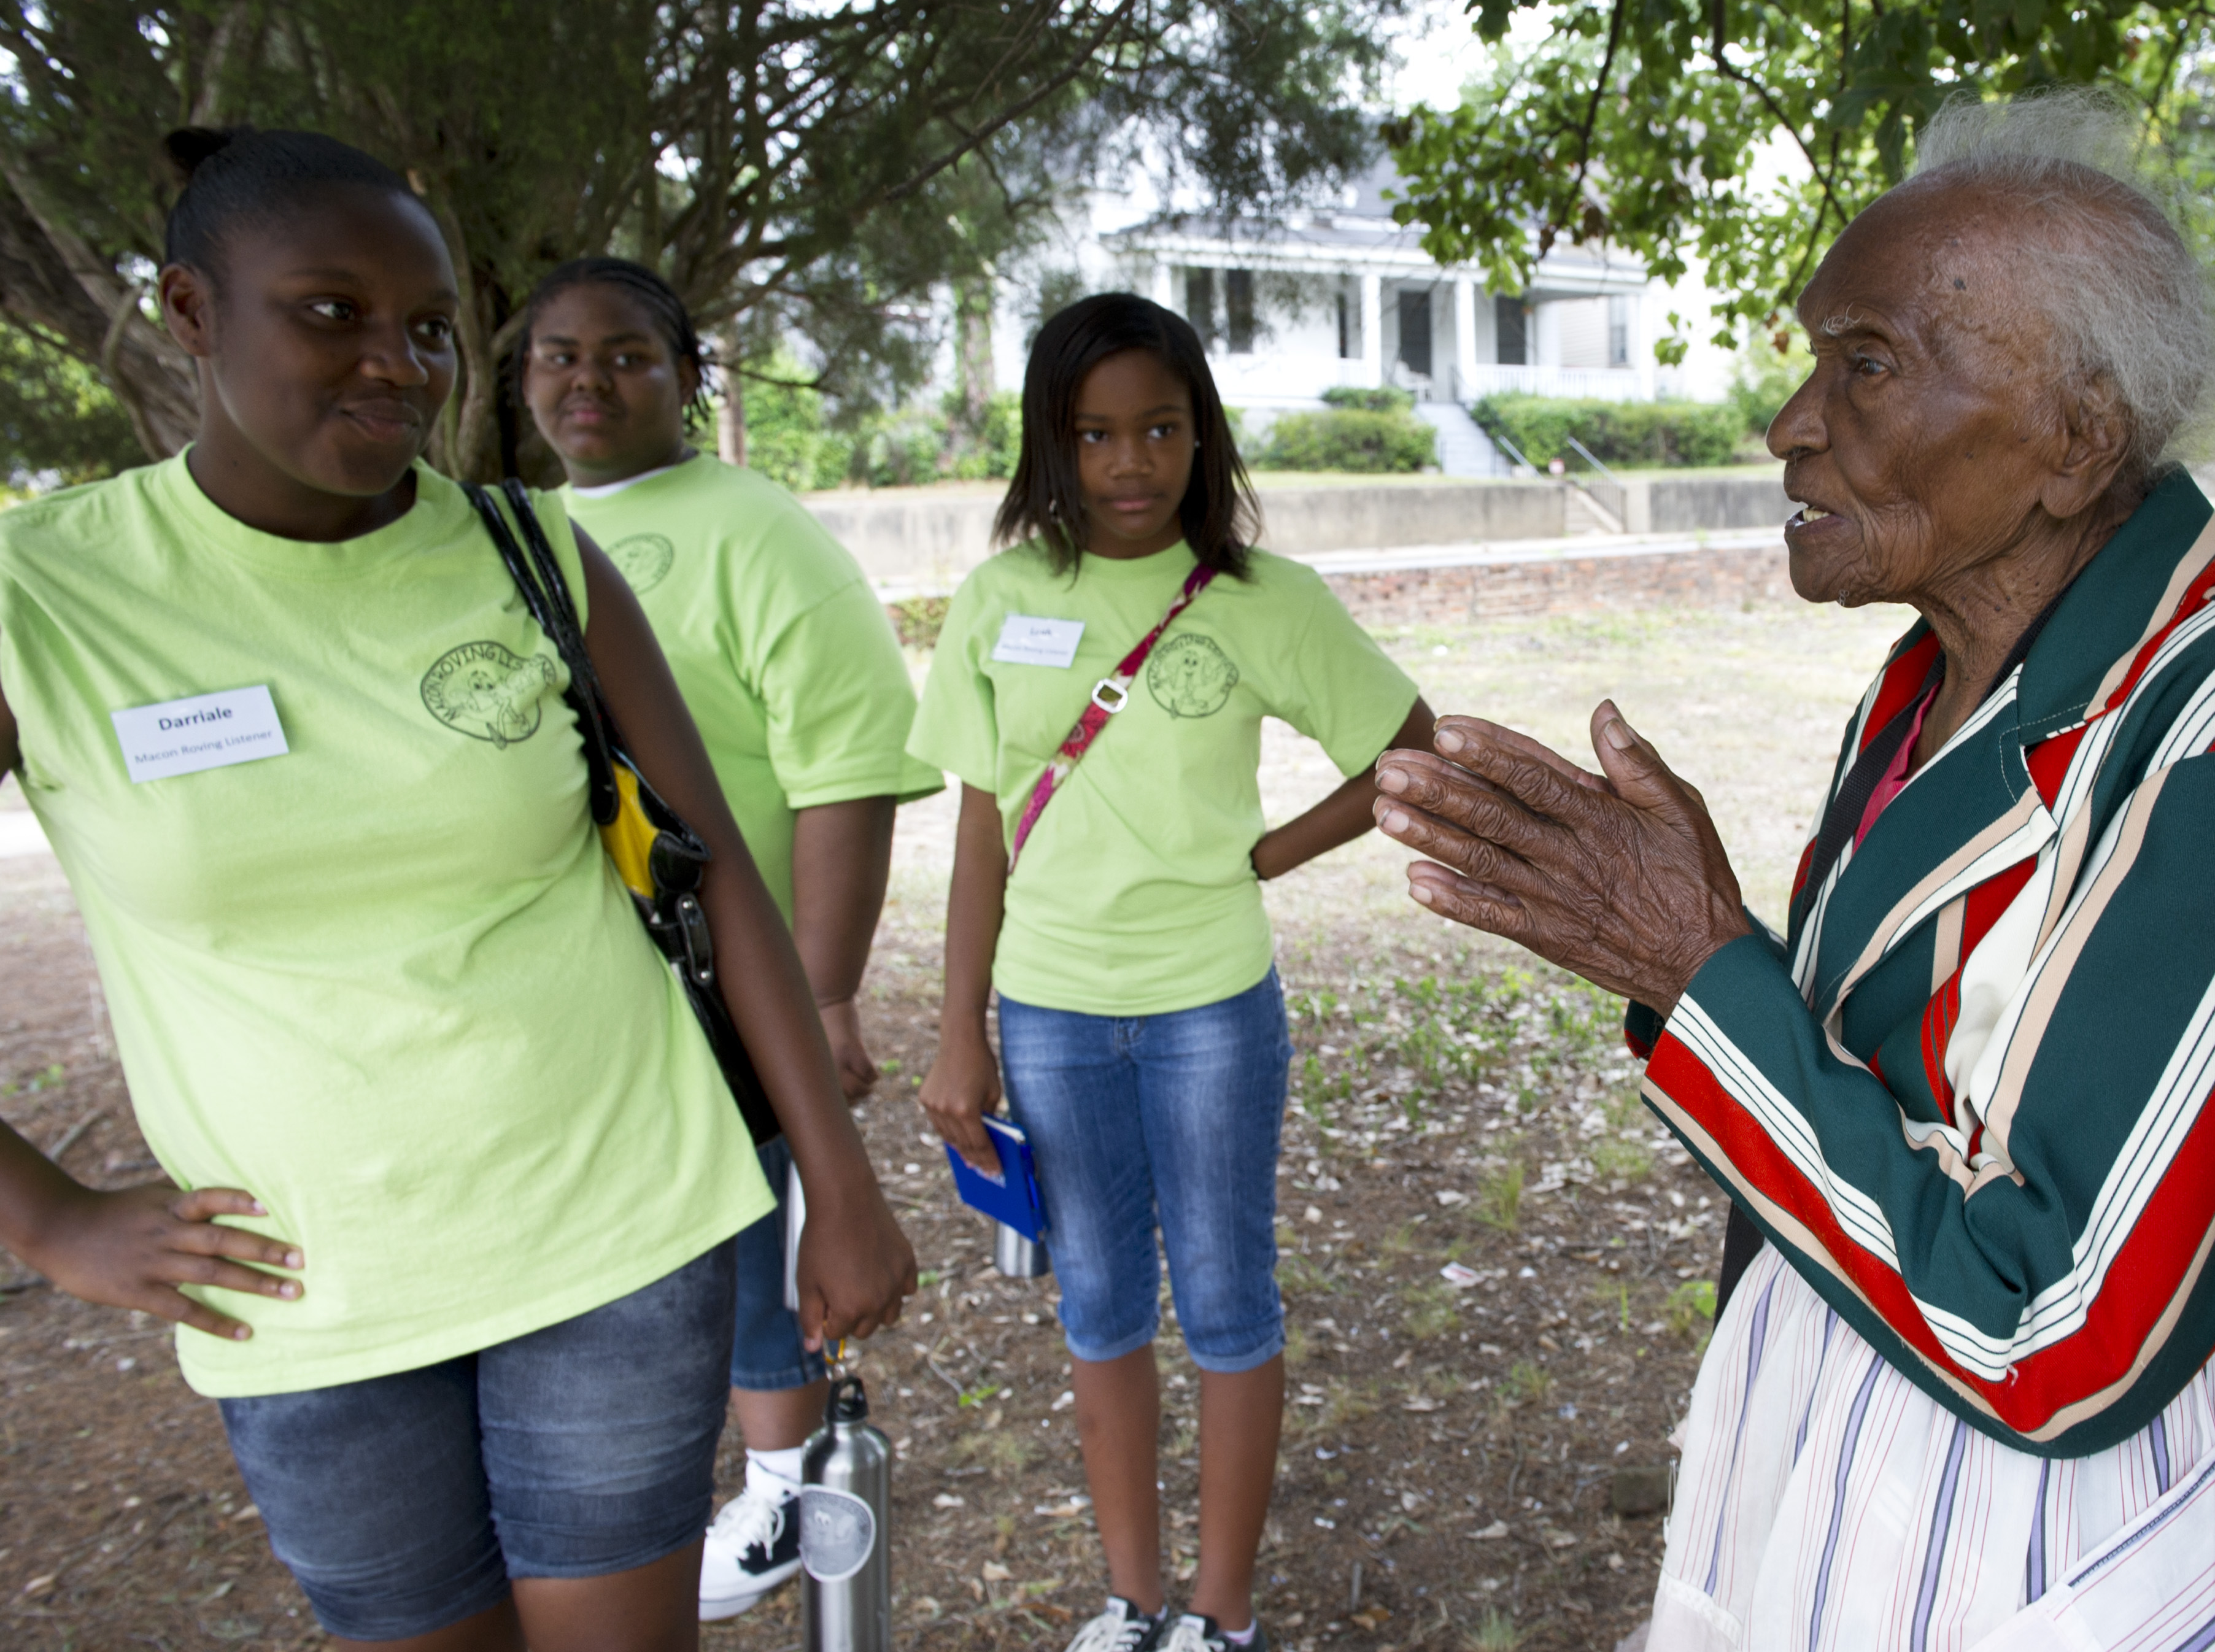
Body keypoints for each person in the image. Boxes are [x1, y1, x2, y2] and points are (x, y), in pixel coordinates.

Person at [1369, 93, 2215, 1651]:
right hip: (1831, 1448)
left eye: (1865, 365)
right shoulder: (1933, 689)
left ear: (2073, 442)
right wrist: (1714, 980)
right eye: (1817, 362)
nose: (1794, 422)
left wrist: (1698, 973)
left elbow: (2056, 1338)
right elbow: (1868, 1108)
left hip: (2058, 1541)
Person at [0, 128, 918, 1652]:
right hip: (302, 1289)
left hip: (614, 1228)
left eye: (426, 328)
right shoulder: (46, 597)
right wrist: (44, 1221)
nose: (396, 365)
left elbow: (723, 883)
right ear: (187, 311)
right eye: (330, 312)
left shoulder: (532, 556)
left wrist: (837, 1182)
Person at [912, 294, 1437, 1652]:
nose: (1130, 462)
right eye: (1095, 435)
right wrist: (957, 1031)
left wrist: (1267, 857)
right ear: (1052, 444)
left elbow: (1405, 752)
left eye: (1159, 428)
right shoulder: (1000, 598)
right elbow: (982, 826)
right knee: (1095, 1299)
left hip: (1210, 1008)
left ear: (1202, 435)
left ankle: (1219, 1613)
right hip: (1051, 1012)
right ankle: (1130, 1598)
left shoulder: (1264, 600)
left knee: (1222, 1294)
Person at [517, 257, 944, 1622]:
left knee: (764, 1248)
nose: (588, 381)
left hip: (723, 984)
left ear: (689, 379)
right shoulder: (503, 531)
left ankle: (775, 1495)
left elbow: (846, 772)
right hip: (569, 996)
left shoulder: (757, 532)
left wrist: (821, 995)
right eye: (558, 356)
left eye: (628, 355)